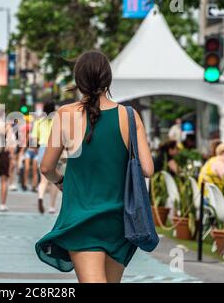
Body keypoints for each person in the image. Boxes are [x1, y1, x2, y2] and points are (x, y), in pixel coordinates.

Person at [35, 50, 154, 283]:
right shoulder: (129, 116)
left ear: (78, 81)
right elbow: (148, 169)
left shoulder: (65, 115)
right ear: (108, 79)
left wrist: (62, 182)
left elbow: (46, 167)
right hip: (119, 221)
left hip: (82, 218)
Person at [33, 101, 59, 214]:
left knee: (43, 179)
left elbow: (34, 138)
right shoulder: (58, 119)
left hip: (43, 148)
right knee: (55, 180)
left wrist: (35, 148)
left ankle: (40, 196)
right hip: (55, 148)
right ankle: (52, 206)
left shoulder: (39, 120)